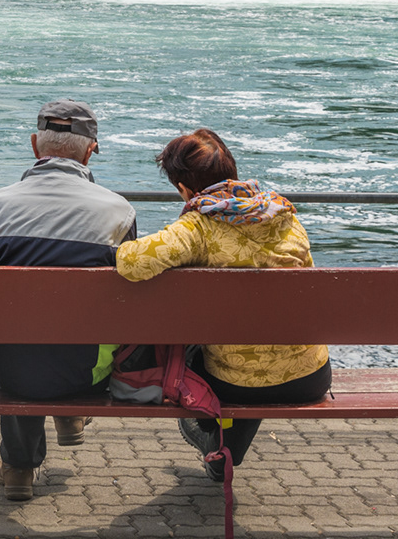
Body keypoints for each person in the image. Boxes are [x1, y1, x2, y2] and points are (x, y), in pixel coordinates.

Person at [115, 128, 330, 481]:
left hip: (235, 384)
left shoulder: (199, 226)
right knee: (257, 341)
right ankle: (222, 454)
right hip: (310, 376)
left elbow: (131, 263)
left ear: (184, 189)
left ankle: (206, 429)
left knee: (211, 357)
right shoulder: (283, 214)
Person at [0, 100, 137, 501]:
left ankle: (17, 468)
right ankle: (70, 413)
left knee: (16, 331)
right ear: (90, 150)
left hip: (12, 372)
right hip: (85, 375)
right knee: (79, 329)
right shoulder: (119, 210)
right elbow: (127, 302)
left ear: (35, 146)